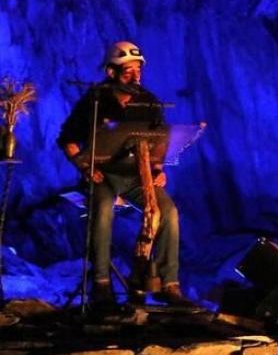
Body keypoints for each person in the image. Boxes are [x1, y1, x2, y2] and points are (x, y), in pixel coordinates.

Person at [57, 41, 191, 307]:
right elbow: (67, 140)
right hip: (103, 176)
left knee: (168, 211)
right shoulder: (94, 101)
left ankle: (169, 284)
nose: (135, 76)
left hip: (136, 177)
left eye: (137, 70)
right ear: (111, 72)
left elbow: (159, 141)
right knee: (103, 207)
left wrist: (158, 170)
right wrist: (85, 167)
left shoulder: (149, 101)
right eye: (128, 71)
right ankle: (102, 284)